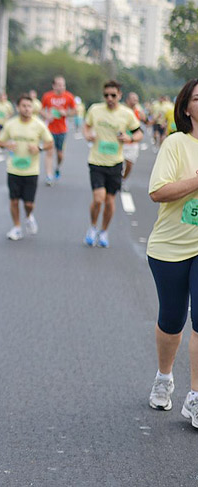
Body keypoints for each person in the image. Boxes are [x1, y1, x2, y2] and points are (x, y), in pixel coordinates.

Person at [146, 79, 198, 426]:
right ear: (186, 107)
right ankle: (164, 377)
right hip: (170, 246)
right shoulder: (176, 144)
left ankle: (195, 397)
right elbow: (158, 192)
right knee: (172, 319)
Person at [82, 80, 142, 248]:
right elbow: (86, 127)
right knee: (98, 198)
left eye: (113, 95)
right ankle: (93, 227)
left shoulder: (127, 114)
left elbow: (139, 134)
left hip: (115, 163)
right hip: (96, 161)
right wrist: (88, 135)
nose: (109, 98)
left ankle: (104, 231)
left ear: (119, 95)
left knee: (109, 201)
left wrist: (129, 138)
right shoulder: (95, 109)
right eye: (106, 95)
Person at [0, 94, 53, 241]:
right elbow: (0, 141)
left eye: (29, 106)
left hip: (31, 171)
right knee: (14, 200)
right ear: (18, 107)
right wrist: (7, 144)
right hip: (13, 169)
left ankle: (28, 216)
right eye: (24, 106)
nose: (27, 109)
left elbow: (50, 143)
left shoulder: (39, 124)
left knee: (29, 203)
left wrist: (39, 147)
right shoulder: (11, 124)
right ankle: (16, 227)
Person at [41, 76, 76, 185]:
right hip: (50, 129)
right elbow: (41, 110)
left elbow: (75, 111)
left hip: (62, 130)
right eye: (59, 85)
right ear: (54, 85)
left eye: (63, 85)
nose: (62, 87)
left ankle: (57, 168)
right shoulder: (47, 96)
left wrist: (66, 113)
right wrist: (47, 115)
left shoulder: (69, 96)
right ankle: (49, 176)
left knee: (60, 154)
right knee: (49, 152)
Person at [121, 92, 147, 190]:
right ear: (127, 100)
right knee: (118, 163)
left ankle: (122, 180)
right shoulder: (122, 111)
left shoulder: (138, 111)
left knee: (129, 164)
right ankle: (116, 180)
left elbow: (145, 120)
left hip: (133, 142)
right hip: (122, 141)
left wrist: (141, 114)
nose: (135, 101)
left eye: (136, 99)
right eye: (133, 99)